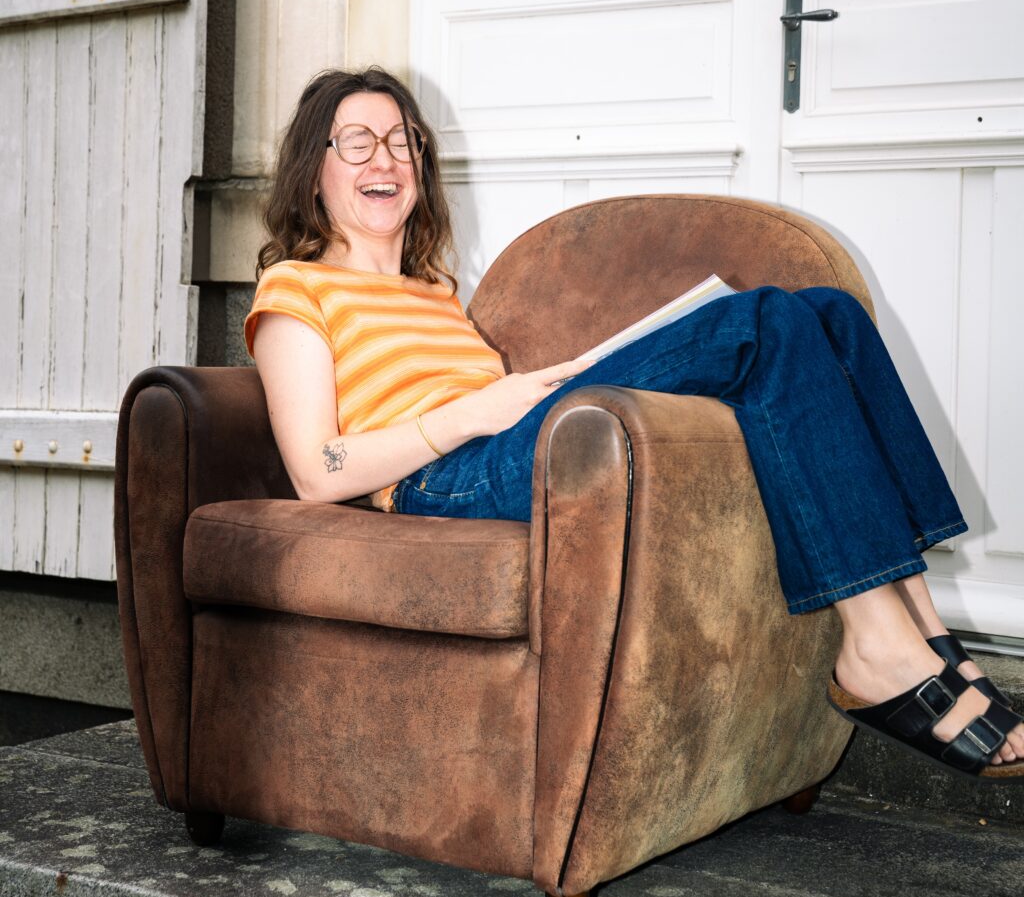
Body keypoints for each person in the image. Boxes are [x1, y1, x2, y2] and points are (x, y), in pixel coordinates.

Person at [247, 66, 1024, 782]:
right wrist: (472, 411)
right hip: (435, 480)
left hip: (505, 442)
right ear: (314, 169)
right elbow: (318, 471)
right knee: (759, 324)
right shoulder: (296, 287)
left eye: (400, 140)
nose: (384, 159)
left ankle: (923, 628)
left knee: (830, 313)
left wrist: (518, 396)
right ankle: (872, 647)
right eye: (357, 142)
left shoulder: (435, 291)